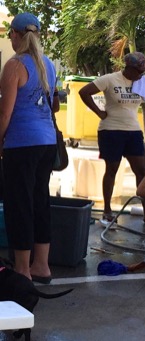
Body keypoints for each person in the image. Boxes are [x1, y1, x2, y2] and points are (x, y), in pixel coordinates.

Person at [0, 12, 59, 283]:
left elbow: (4, 115)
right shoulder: (48, 64)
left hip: (22, 144)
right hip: (47, 142)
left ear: (16, 35)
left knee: (18, 204)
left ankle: (22, 269)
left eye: (10, 34)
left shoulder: (14, 66)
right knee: (39, 200)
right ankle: (41, 266)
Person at [79, 52, 145, 225]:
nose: (141, 75)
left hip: (133, 130)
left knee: (141, 170)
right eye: (139, 71)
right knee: (112, 169)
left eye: (143, 72)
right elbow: (84, 92)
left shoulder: (141, 81)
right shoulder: (110, 79)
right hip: (111, 130)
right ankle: (107, 210)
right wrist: (99, 112)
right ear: (128, 68)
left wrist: (141, 78)